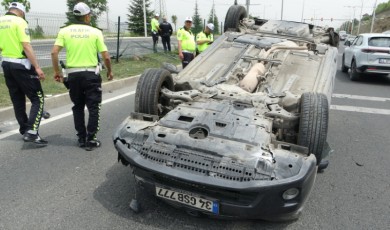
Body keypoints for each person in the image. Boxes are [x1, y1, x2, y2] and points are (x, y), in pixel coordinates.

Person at [51, 2, 113, 151]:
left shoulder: (64, 31)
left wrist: (57, 72)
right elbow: (106, 56)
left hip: (73, 76)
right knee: (93, 107)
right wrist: (109, 71)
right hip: (91, 74)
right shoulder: (95, 32)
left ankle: (81, 138)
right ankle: (91, 139)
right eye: (89, 15)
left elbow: (54, 52)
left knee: (77, 107)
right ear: (86, 16)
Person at [0, 2, 48, 146]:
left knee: (17, 99)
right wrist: (37, 67)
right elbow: (26, 46)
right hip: (21, 65)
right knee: (37, 98)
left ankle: (25, 129)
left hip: (6, 64)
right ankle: (32, 132)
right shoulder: (20, 22)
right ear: (21, 11)